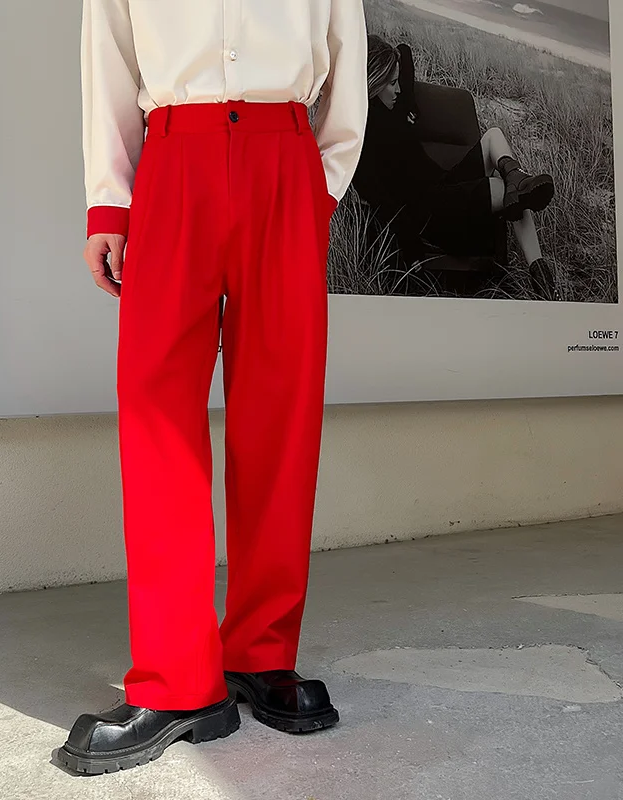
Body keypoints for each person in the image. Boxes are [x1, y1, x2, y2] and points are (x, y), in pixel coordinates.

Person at [56, 0, 369, 775]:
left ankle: (262, 652)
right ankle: (176, 681)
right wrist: (109, 199)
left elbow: (346, 57)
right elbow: (110, 57)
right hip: (173, 159)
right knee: (156, 415)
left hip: (284, 160)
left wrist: (319, 186)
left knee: (281, 417)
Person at [352, 34, 563, 301]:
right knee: (509, 192)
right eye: (393, 83)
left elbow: (404, 51)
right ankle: (542, 278)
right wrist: (411, 249)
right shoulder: (367, 136)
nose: (399, 89)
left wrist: (406, 98)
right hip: (433, 212)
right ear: (373, 82)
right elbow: (384, 202)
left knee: (494, 136)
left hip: (443, 184)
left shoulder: (396, 106)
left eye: (398, 81)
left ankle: (516, 177)